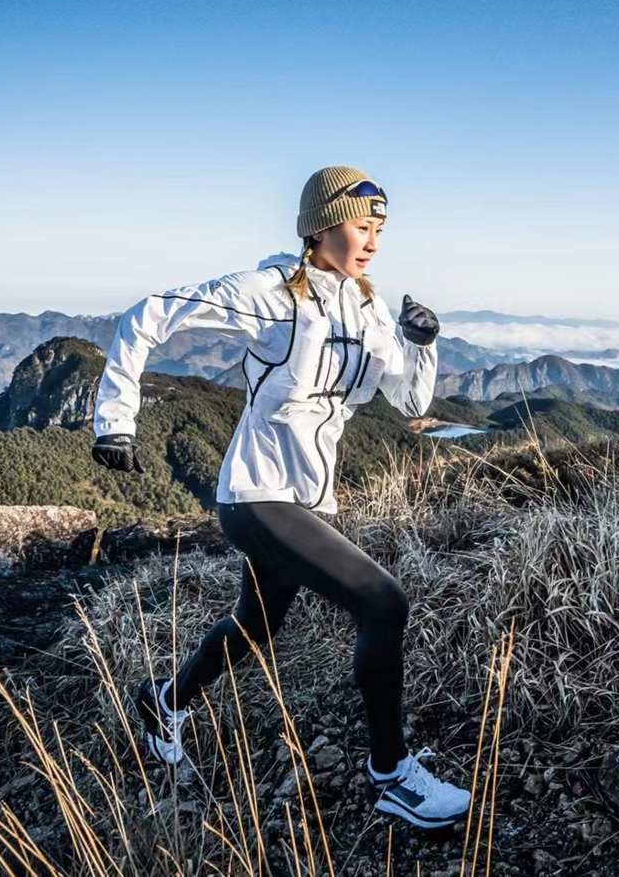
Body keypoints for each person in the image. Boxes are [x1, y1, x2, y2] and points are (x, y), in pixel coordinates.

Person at [90, 166, 470, 829]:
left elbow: (410, 401)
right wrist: (116, 418)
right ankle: (391, 775)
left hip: (308, 503)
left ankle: (163, 702)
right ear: (318, 227)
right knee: (384, 603)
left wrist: (421, 342)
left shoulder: (367, 306)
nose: (373, 240)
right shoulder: (270, 294)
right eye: (361, 225)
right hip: (257, 496)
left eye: (380, 229)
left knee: (257, 624)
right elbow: (146, 315)